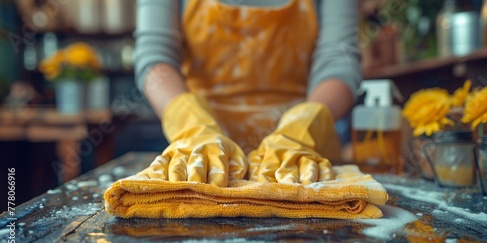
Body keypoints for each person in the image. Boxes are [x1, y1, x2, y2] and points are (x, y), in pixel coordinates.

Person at [135, 0, 362, 187]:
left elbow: (339, 59)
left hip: (300, 161)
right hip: (200, 160)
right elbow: (155, 57)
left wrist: (303, 127)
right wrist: (192, 127)